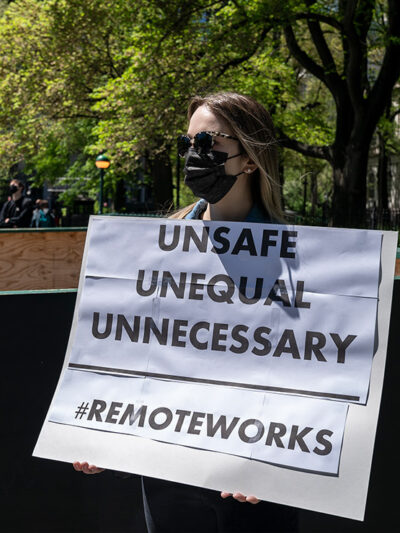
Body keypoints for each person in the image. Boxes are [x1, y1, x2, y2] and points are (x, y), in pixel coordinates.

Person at [74, 92, 298, 532]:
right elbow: (127, 352)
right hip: (169, 472)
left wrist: (280, 460)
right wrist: (100, 436)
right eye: (188, 144)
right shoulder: (153, 250)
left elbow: (312, 368)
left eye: (209, 142)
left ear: (250, 158)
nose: (195, 156)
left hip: (257, 479)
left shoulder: (305, 258)